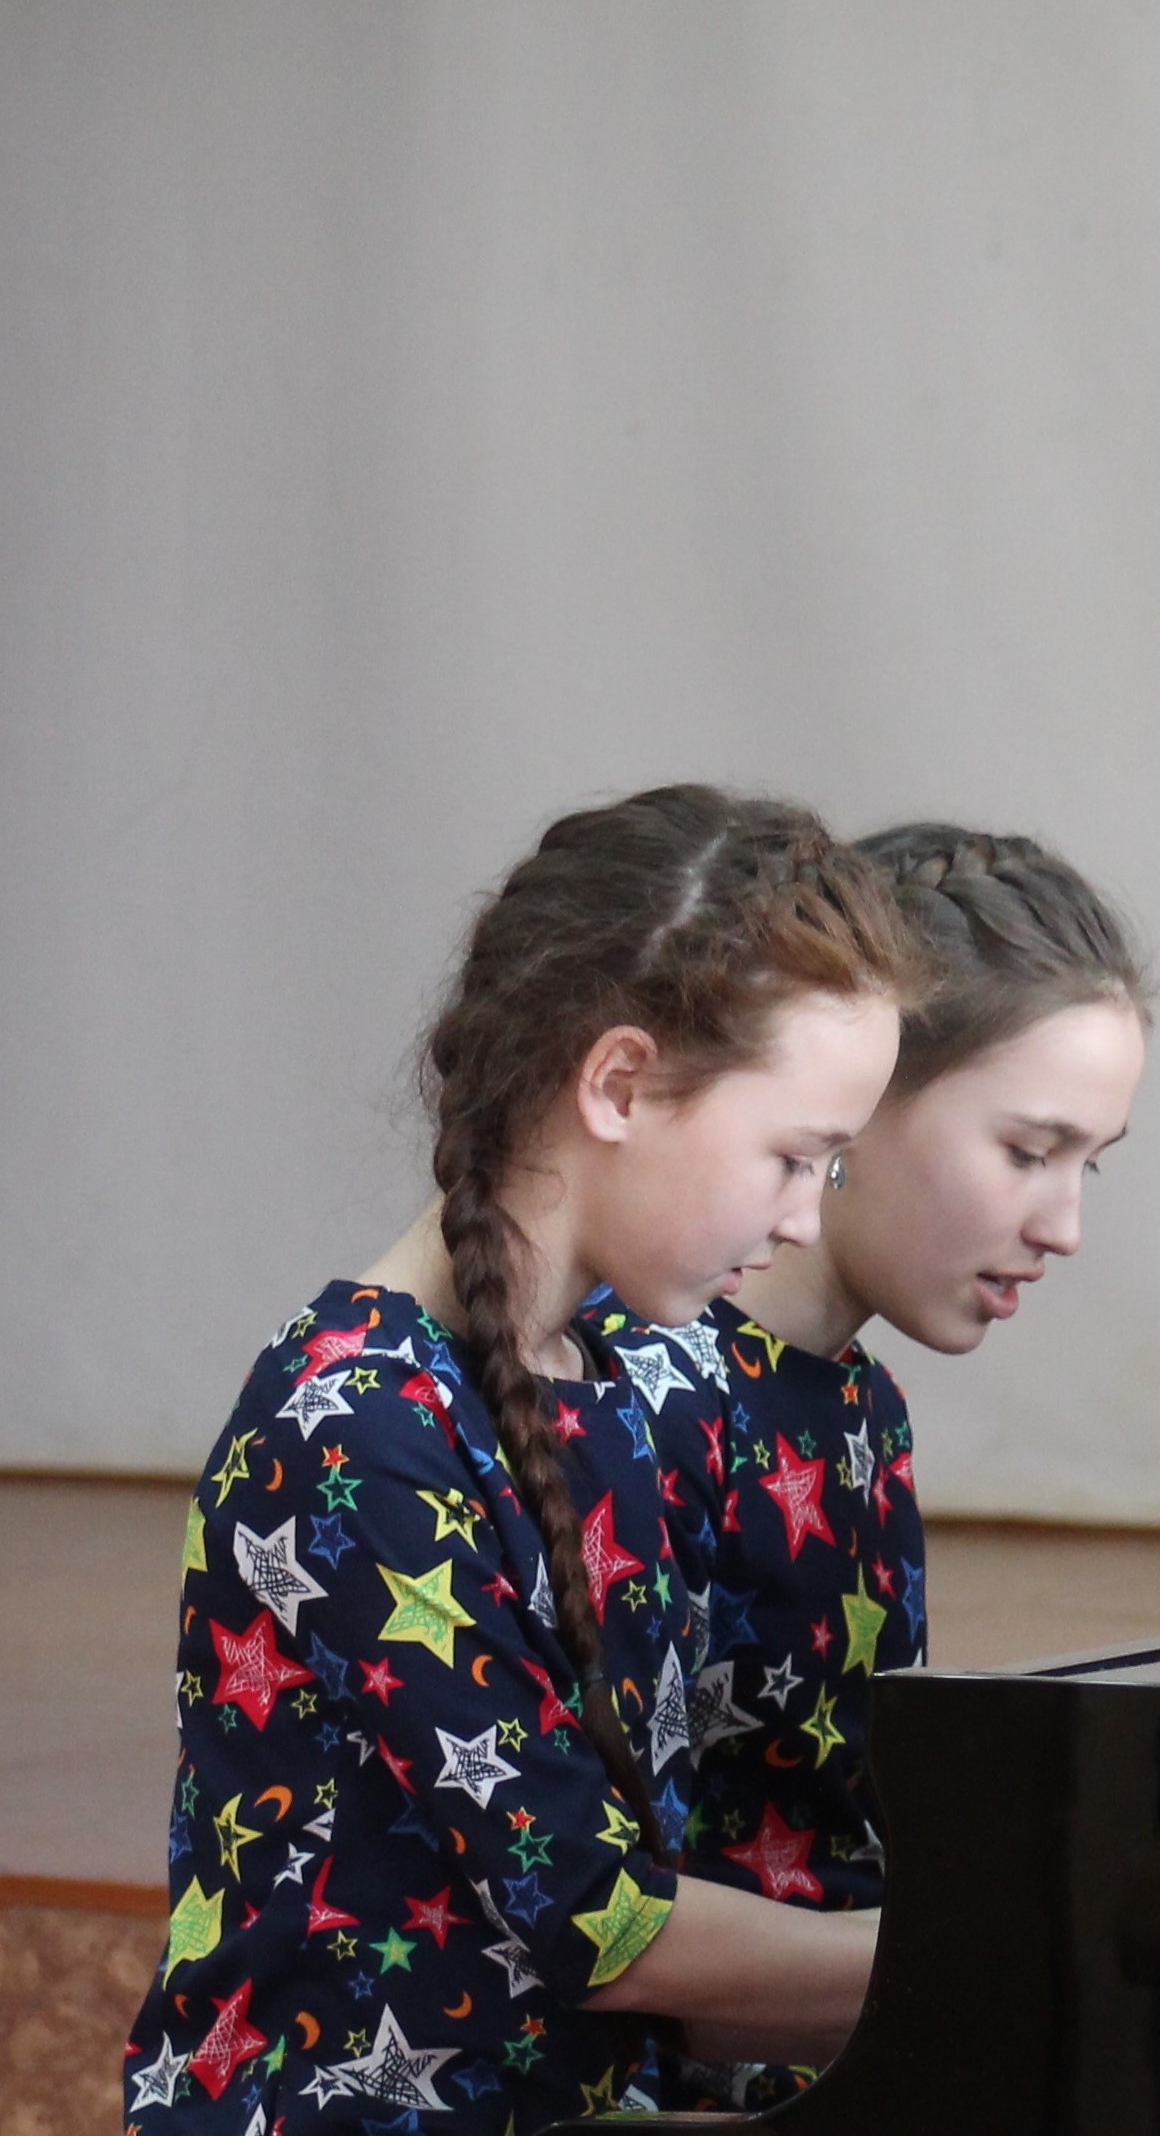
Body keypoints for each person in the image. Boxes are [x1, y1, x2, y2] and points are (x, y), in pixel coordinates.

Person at [120, 786, 924, 2128]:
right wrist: (979, 1957)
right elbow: (602, 1927)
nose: (801, 1219)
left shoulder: (612, 1380)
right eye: (795, 1156)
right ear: (617, 1083)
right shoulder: (353, 1424)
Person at [621, 825, 1150, 2109]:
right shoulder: (645, 1401)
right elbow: (598, 1919)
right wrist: (1019, 1967)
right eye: (1028, 1151)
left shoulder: (857, 1403)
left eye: (1088, 1163)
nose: (1065, 1226)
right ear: (858, 1092)